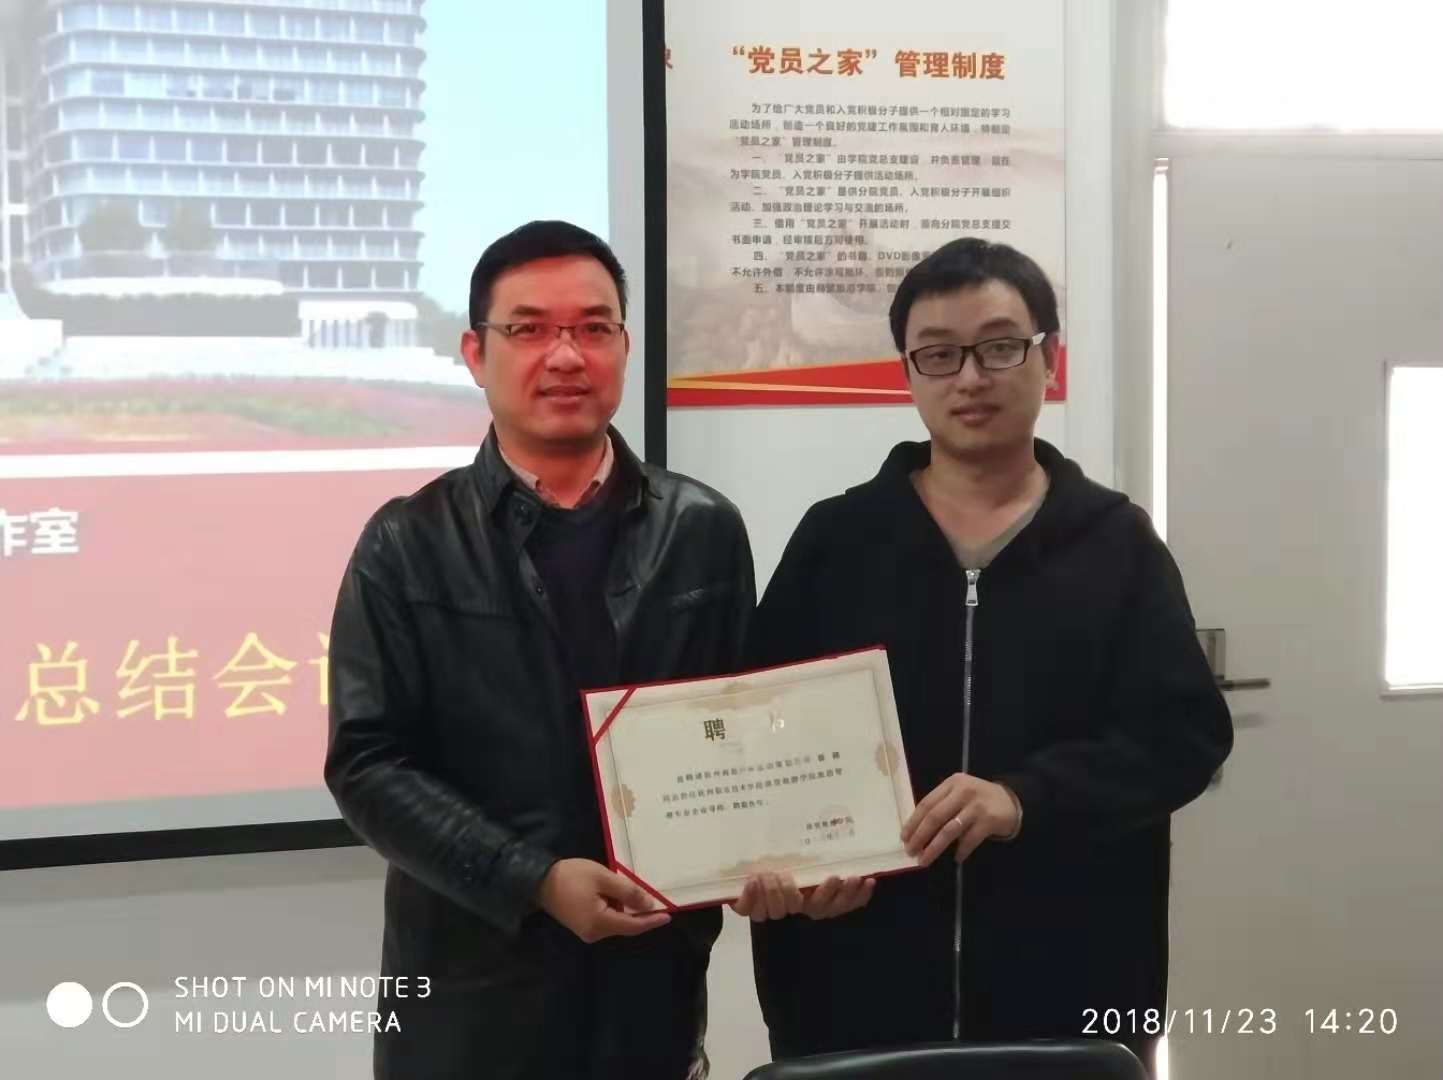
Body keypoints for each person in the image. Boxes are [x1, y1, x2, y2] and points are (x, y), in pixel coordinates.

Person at [745, 237, 1233, 1075]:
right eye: (938, 354)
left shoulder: (1116, 544)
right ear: (906, 373)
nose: (969, 377)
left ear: (1050, 359)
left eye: (999, 346)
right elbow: (760, 726)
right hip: (852, 980)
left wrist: (1022, 798)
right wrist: (786, 864)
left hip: (1070, 979)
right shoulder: (837, 541)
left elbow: (1183, 738)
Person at [325, 220, 755, 1080]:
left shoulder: (702, 528)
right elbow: (367, 764)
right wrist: (532, 879)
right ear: (474, 353)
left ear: (624, 346)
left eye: (593, 327)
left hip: (651, 988)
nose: (565, 355)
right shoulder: (406, 542)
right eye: (528, 329)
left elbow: (742, 726)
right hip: (469, 999)